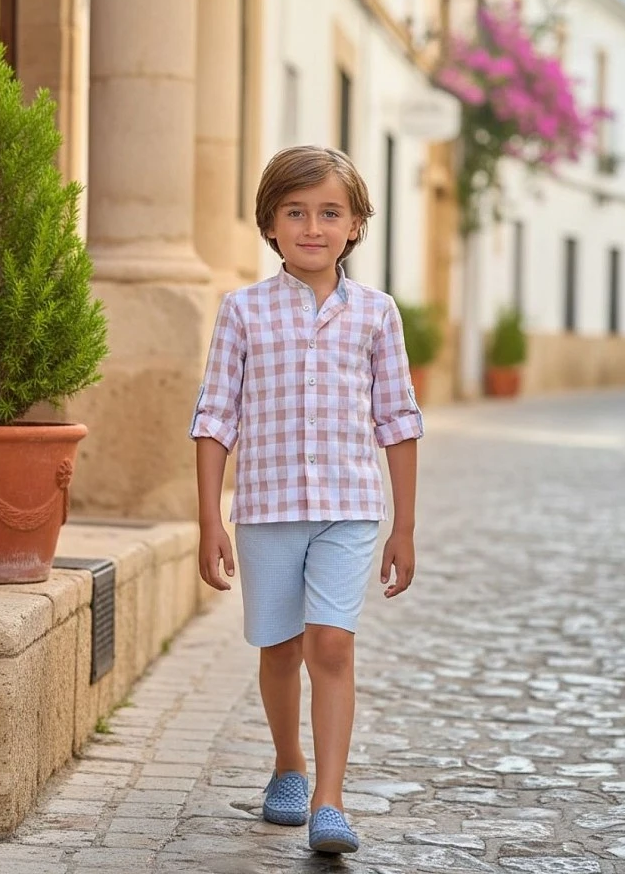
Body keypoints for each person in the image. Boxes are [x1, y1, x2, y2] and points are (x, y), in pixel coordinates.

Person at [189, 145, 423, 854]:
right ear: (269, 223)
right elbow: (215, 417)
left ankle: (330, 800)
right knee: (281, 647)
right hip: (264, 510)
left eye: (330, 213)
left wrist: (403, 528)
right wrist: (208, 521)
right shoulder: (243, 311)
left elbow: (399, 420)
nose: (312, 227)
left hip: (348, 508)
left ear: (355, 225)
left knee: (331, 643)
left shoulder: (378, 315)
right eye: (296, 212)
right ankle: (287, 766)